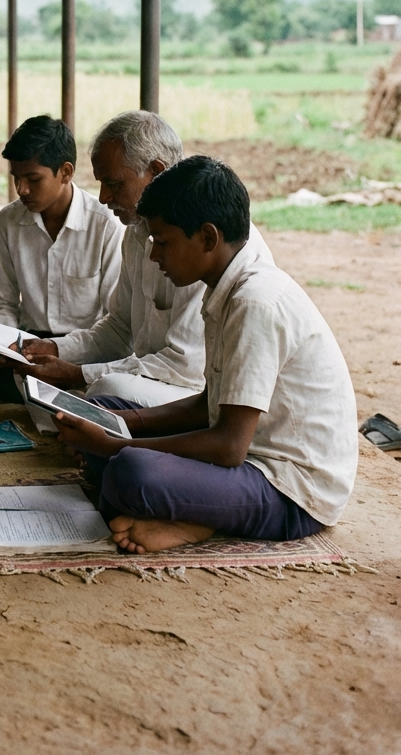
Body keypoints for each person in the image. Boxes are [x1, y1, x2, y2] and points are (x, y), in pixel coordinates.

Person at [40, 155, 357, 553]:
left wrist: (115, 446)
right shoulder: (225, 288)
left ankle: (195, 521)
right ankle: (187, 511)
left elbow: (228, 446)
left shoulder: (255, 303)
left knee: (130, 470)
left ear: (207, 238)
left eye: (164, 242)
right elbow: (209, 404)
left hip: (290, 489)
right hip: (246, 464)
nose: (154, 256)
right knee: (103, 407)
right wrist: (122, 422)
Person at [21, 111, 273, 407]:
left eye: (114, 184)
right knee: (47, 377)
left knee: (108, 389)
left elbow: (185, 368)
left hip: (193, 392)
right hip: (154, 382)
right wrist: (54, 349)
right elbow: (119, 327)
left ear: (156, 170)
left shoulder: (199, 243)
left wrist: (80, 375)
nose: (103, 197)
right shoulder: (137, 230)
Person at [0, 116, 121, 399]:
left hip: (81, 349)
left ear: (65, 172)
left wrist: (61, 352)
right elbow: (3, 303)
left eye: (33, 179)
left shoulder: (105, 224)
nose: (21, 189)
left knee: (113, 379)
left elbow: (115, 322)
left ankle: (26, 387)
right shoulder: (9, 220)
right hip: (25, 344)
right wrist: (8, 345)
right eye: (16, 178)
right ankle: (40, 389)